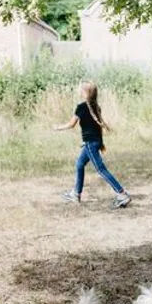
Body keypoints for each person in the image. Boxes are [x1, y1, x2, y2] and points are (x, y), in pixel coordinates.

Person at [54, 80, 131, 208]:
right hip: (93, 142)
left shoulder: (81, 107)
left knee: (101, 170)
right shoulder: (96, 107)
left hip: (90, 143)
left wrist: (57, 127)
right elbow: (97, 127)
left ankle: (122, 194)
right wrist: (100, 143)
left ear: (85, 92)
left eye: (80, 89)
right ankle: (75, 194)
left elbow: (71, 124)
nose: (79, 90)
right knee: (79, 164)